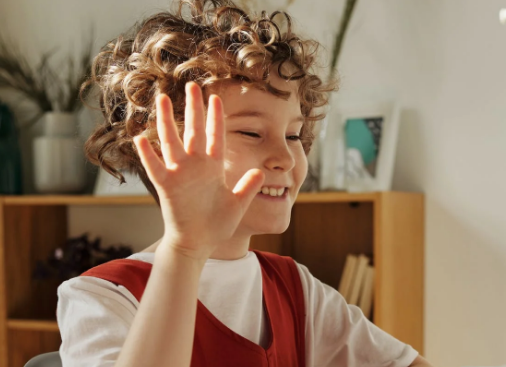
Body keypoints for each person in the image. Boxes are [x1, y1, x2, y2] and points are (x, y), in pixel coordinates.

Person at [56, 0, 434, 366]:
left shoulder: (296, 290)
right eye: (252, 133)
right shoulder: (101, 298)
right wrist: (186, 250)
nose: (285, 158)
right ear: (160, 146)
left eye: (293, 136)